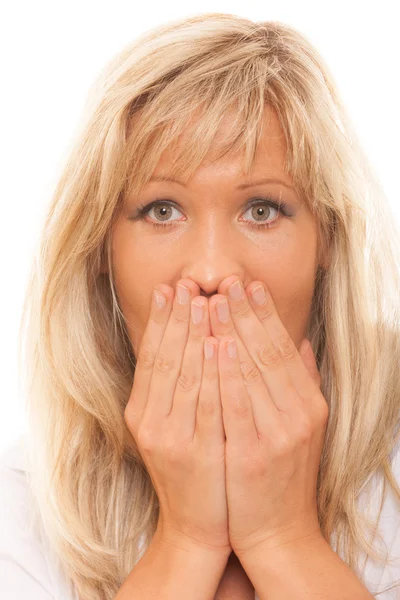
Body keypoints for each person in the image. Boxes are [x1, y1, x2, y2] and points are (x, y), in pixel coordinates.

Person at [1, 11, 400, 600]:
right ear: (99, 252)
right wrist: (186, 541)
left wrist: (282, 538)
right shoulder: (22, 503)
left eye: (262, 209)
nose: (212, 272)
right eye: (162, 210)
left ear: (328, 242)